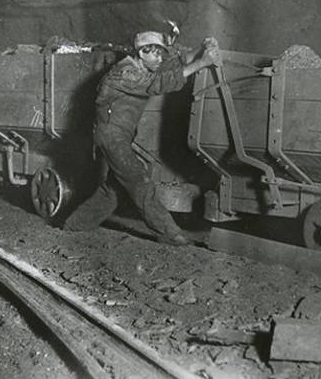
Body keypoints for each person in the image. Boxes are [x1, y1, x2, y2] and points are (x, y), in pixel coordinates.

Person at [63, 30, 222, 245]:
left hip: (117, 136)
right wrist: (203, 63)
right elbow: (158, 84)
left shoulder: (143, 66)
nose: (159, 59)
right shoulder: (125, 72)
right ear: (141, 52)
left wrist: (200, 49)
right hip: (111, 137)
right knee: (140, 181)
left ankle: (74, 225)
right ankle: (169, 232)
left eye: (160, 54)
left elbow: (170, 67)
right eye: (155, 54)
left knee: (111, 191)